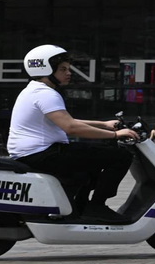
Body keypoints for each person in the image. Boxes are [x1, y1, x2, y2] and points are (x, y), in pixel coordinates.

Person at [7, 45, 138, 222]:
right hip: (42, 154)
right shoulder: (45, 94)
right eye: (63, 69)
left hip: (35, 153)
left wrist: (104, 125)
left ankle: (80, 209)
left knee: (90, 168)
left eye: (68, 69)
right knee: (121, 157)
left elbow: (67, 120)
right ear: (46, 69)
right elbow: (71, 128)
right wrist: (115, 135)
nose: (69, 73)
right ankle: (97, 207)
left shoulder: (34, 90)